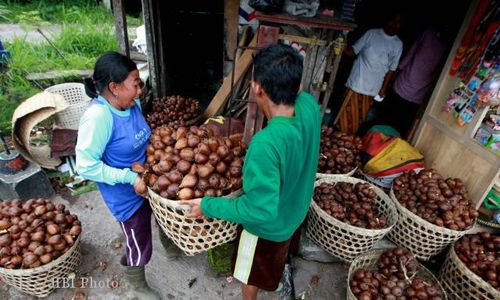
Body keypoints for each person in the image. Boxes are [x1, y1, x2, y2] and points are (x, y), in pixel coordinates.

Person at [181, 44, 321, 300]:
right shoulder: (310, 106)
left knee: (248, 271)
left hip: (267, 228)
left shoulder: (266, 144)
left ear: (256, 88)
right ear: (298, 86)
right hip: (294, 212)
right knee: (276, 257)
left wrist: (209, 205)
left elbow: (259, 210)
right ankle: (278, 278)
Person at [75, 51, 161, 299]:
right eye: (135, 83)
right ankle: (137, 283)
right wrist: (129, 178)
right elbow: (85, 166)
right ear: (114, 87)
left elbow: (141, 137)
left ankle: (171, 246)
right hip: (126, 195)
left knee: (162, 219)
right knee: (138, 237)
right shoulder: (98, 117)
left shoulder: (129, 105)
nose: (140, 89)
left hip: (147, 181)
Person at [373, 25, 449, 137]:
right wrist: (396, 71)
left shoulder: (448, 45)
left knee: (396, 125)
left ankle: (383, 148)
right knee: (388, 121)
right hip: (403, 86)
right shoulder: (429, 33)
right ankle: (375, 146)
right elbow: (412, 52)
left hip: (417, 95)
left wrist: (397, 71)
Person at [334, 12, 403, 134]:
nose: (395, 25)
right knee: (343, 118)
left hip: (372, 88)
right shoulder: (372, 34)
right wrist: (343, 45)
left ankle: (346, 145)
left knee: (357, 121)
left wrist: (383, 88)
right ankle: (335, 140)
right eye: (393, 21)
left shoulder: (398, 44)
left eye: (398, 23)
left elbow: (392, 69)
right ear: (387, 21)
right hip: (356, 84)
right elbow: (353, 52)